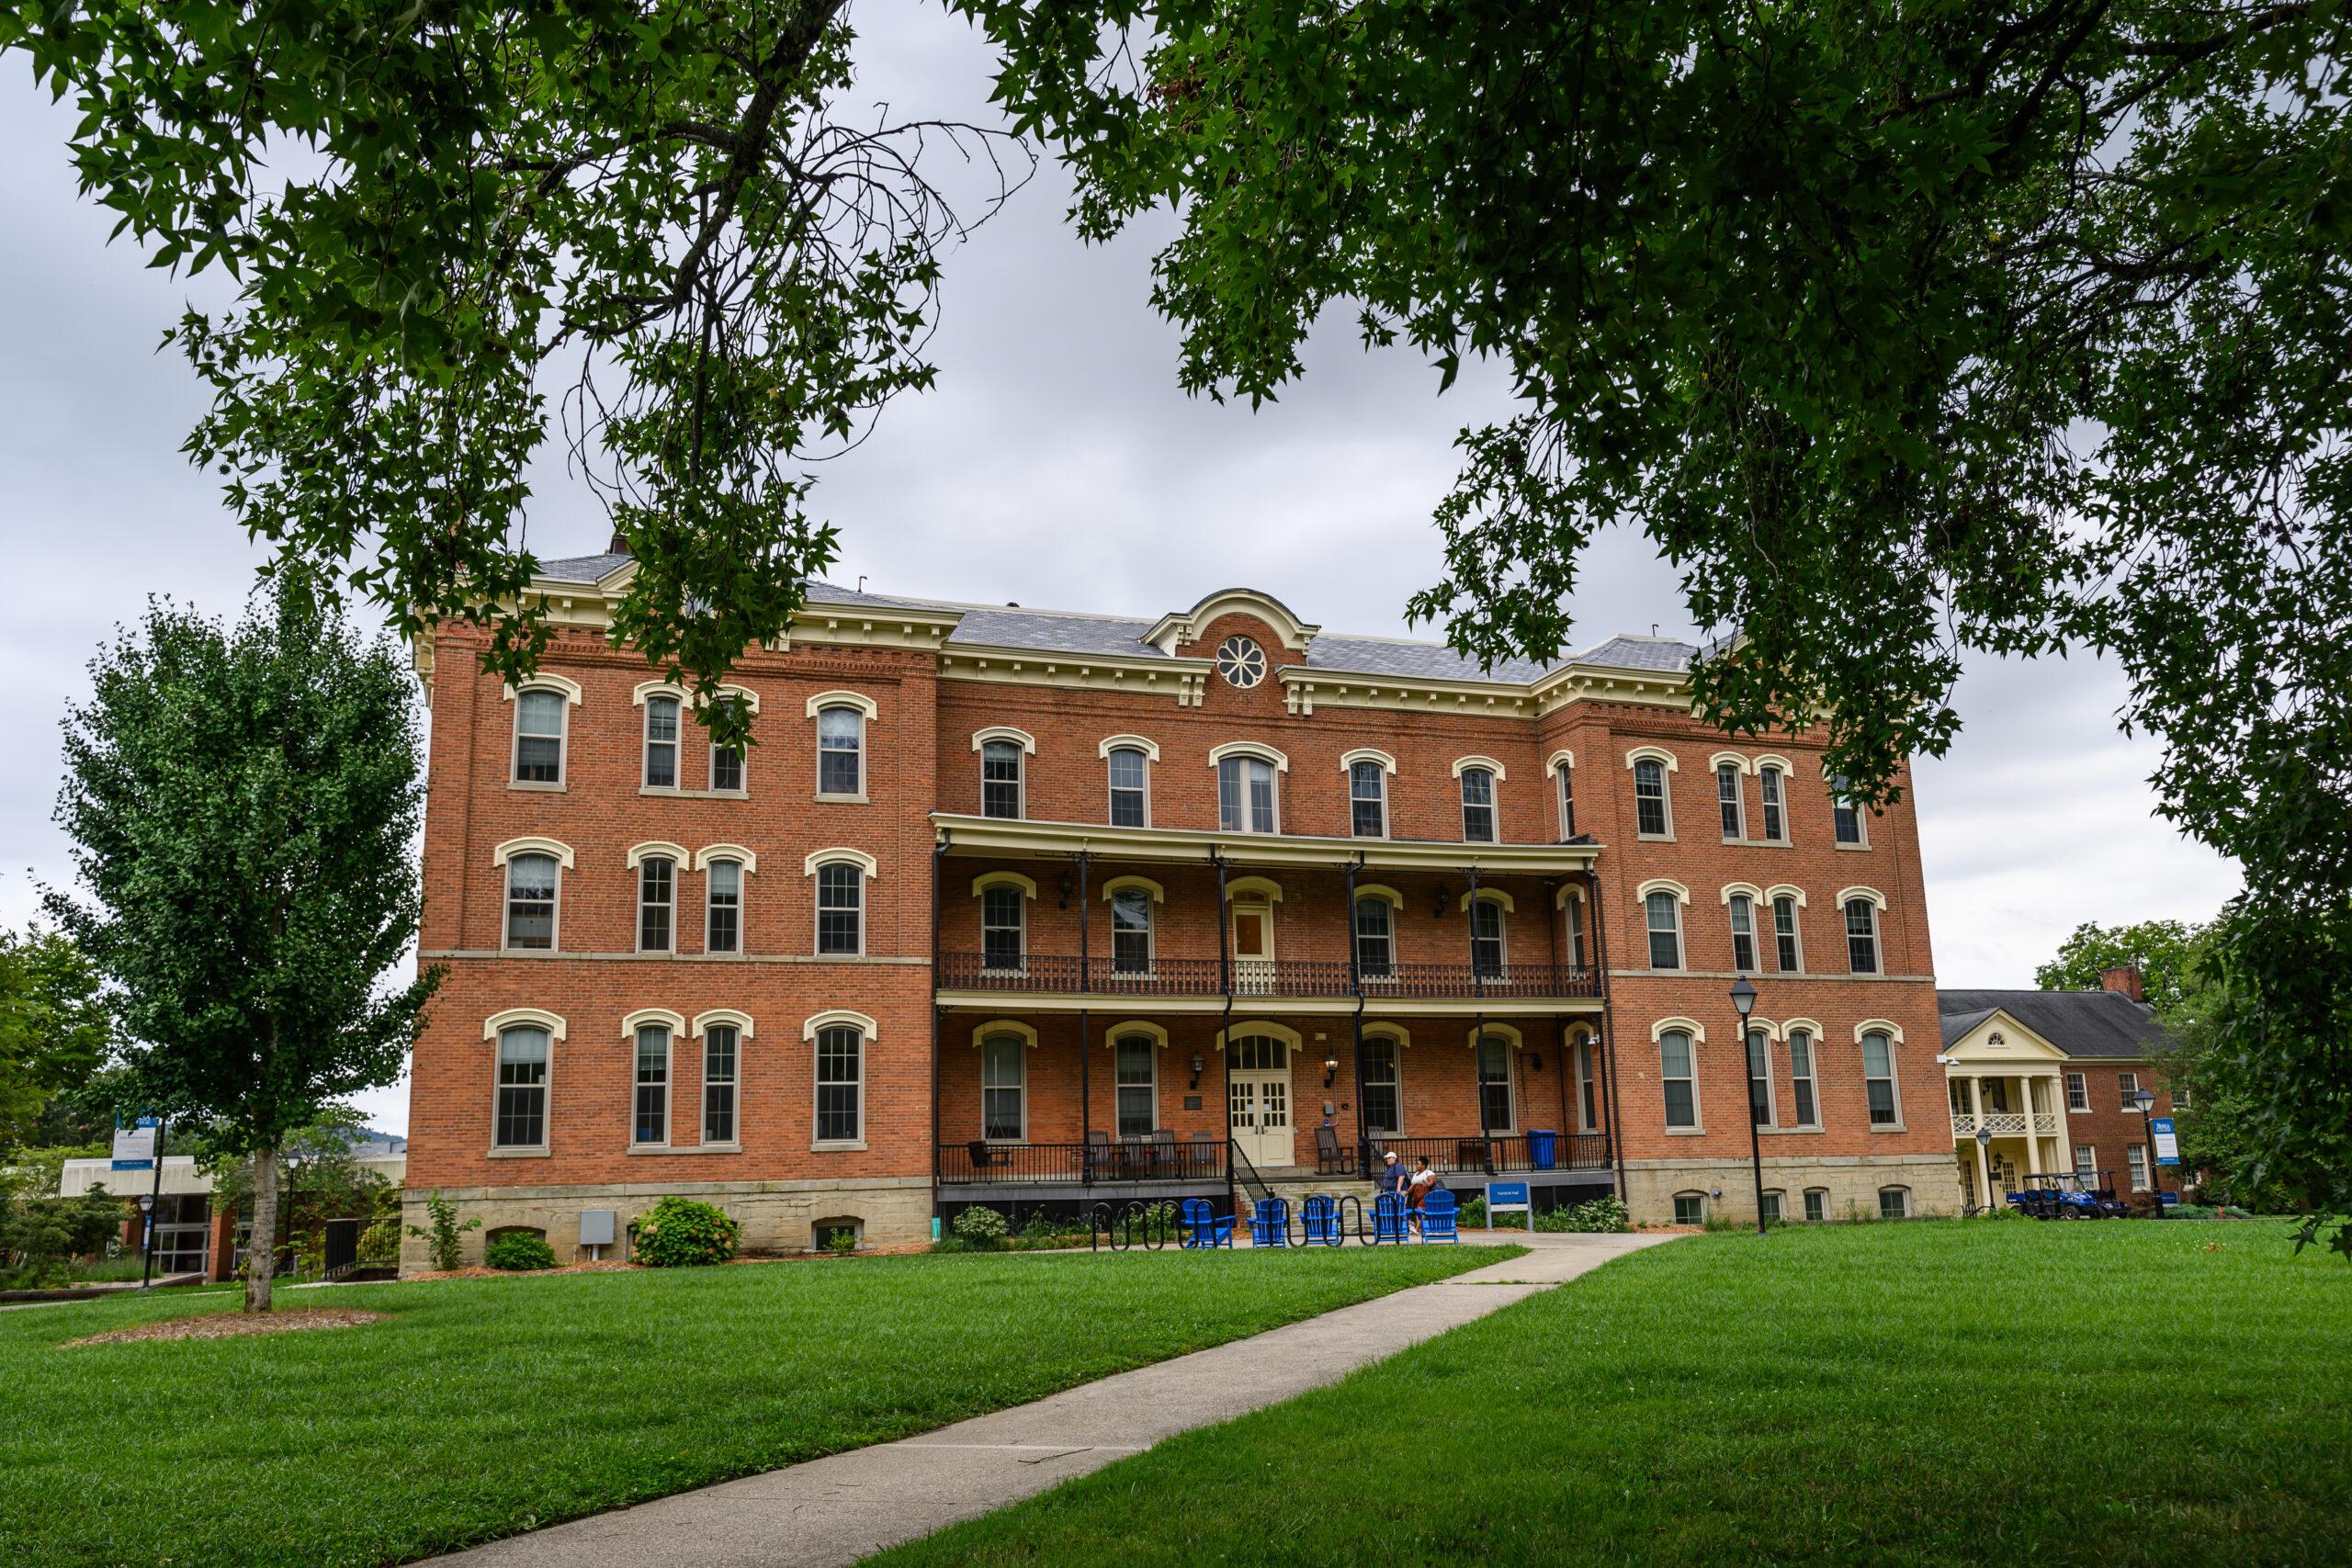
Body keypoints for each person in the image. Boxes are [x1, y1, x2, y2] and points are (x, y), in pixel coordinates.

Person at [1408, 1156, 1438, 1232]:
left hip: (1425, 1194)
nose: (1417, 1165)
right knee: (1417, 1211)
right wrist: (1407, 1192)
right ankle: (1418, 1228)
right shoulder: (1415, 1174)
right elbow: (1412, 1185)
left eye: (1418, 1164)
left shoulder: (1428, 1172)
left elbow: (1432, 1181)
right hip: (1416, 1195)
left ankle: (1417, 1229)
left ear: (1424, 1165)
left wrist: (1427, 1185)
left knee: (1420, 1209)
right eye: (1417, 1164)